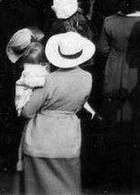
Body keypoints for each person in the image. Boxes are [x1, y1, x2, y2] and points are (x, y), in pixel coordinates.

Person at [20, 32, 95, 195]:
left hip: (42, 141)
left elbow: (27, 111)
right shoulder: (87, 78)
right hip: (69, 140)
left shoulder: (48, 80)